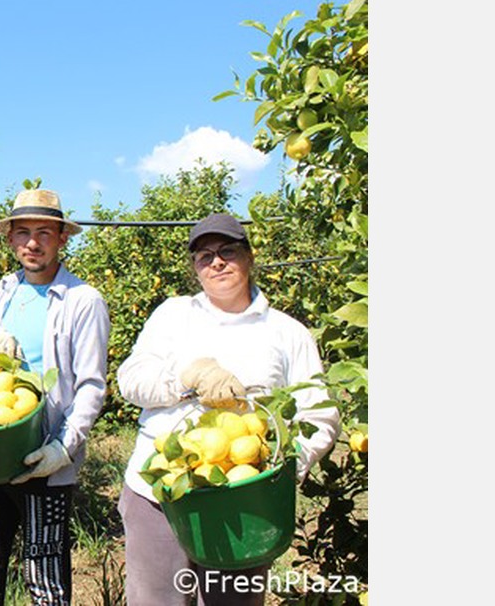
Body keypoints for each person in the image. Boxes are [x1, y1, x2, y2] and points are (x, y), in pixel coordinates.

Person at [116, 213, 342, 605]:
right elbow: (131, 379)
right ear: (195, 268)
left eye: (227, 252)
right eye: (204, 256)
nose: (216, 262)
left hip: (244, 501)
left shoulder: (287, 332)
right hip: (159, 493)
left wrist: (283, 471)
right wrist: (186, 376)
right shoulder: (173, 314)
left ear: (249, 258)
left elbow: (319, 412)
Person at [0, 189, 111, 605]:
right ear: (10, 239)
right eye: (23, 232)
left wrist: (64, 448)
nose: (32, 242)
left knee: (46, 582)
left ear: (62, 238)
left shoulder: (83, 300)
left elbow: (92, 385)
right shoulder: (5, 289)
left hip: (45, 458)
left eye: (44, 232)